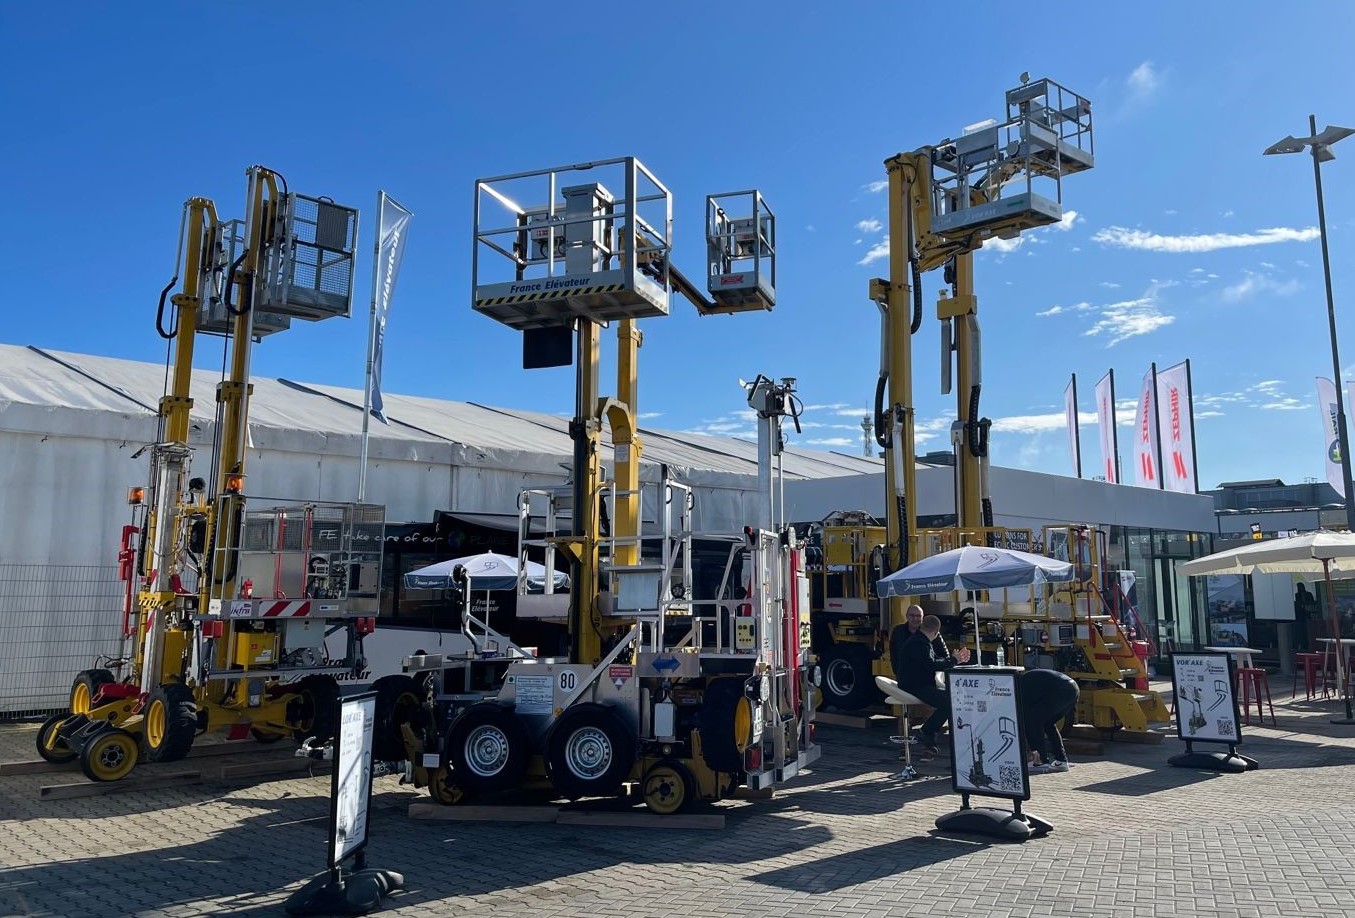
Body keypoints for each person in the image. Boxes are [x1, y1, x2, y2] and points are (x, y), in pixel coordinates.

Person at [894, 614, 970, 756]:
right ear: (936, 632)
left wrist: (951, 660)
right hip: (915, 685)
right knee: (950, 701)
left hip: (916, 683)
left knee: (949, 699)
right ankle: (927, 731)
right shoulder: (920, 643)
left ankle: (929, 734)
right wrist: (953, 660)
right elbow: (931, 664)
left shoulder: (919, 640)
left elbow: (933, 659)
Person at [1019, 668, 1079, 773]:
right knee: (1048, 723)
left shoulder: (1019, 689)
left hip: (1060, 690)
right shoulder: (1026, 680)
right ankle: (1061, 761)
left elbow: (1025, 718)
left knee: (1032, 722)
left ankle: (1039, 761)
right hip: (1073, 688)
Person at [889, 605, 949, 681]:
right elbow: (894, 655)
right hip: (905, 677)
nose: (915, 618)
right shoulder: (898, 632)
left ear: (922, 617)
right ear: (907, 616)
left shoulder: (932, 632)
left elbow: (945, 655)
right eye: (912, 615)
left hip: (927, 678)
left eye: (918, 616)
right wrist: (898, 673)